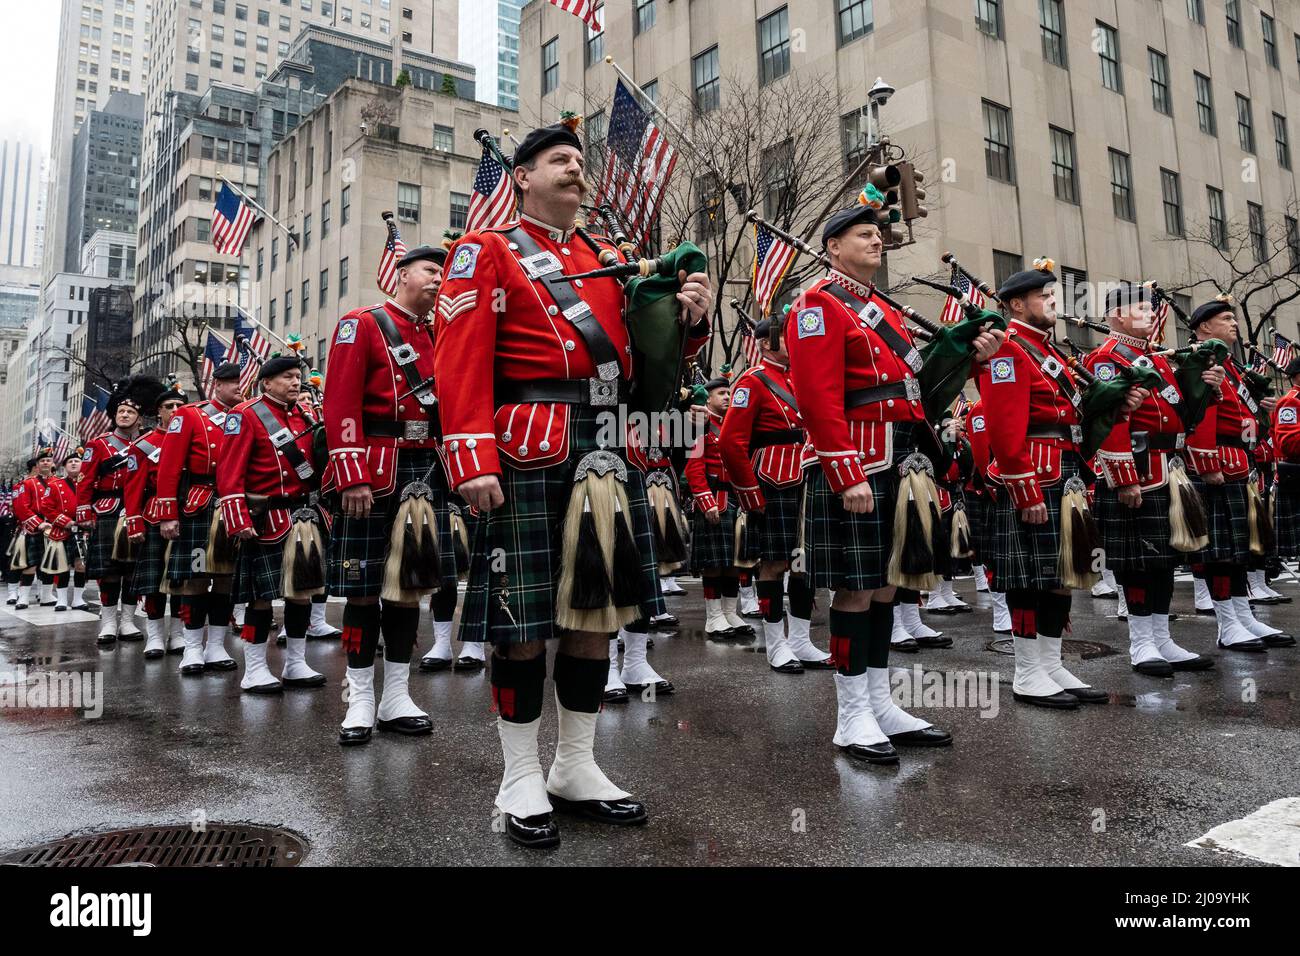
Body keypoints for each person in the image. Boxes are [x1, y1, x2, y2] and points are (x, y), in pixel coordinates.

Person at [433, 120, 712, 849]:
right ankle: (519, 774)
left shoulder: (608, 257)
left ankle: (576, 765)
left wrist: (686, 321)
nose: (576, 171)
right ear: (521, 177)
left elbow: (648, 362)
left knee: (596, 616)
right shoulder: (485, 251)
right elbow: (459, 357)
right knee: (521, 627)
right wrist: (472, 458)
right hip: (527, 445)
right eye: (559, 160)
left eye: (581, 163)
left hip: (606, 447)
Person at [788, 203, 999, 761]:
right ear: (833, 246)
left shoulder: (880, 306)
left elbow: (917, 388)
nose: (877, 242)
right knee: (854, 590)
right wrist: (843, 467)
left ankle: (879, 703)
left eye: (879, 235)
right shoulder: (818, 304)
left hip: (900, 458)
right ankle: (850, 714)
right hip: (857, 460)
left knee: (885, 585)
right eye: (864, 234)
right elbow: (815, 394)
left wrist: (969, 363)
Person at [978, 262, 1141, 708]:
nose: (1053, 302)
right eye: (1043, 296)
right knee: (1029, 578)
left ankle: (1051, 664)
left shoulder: (1049, 354)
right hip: (1035, 473)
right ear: (1016, 304)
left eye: (1054, 295)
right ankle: (1028, 671)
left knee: (1058, 577)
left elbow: (1075, 419)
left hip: (1065, 473)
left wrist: (1118, 407)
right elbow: (1004, 429)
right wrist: (1024, 488)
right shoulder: (1009, 351)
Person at [323, 244, 461, 745]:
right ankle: (359, 695)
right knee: (362, 589)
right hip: (375, 467)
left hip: (427, 469)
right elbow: (339, 400)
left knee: (409, 587)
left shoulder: (440, 332)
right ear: (400, 274)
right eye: (430, 270)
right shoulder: (362, 323)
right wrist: (351, 471)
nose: (438, 279)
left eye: (444, 273)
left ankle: (396, 695)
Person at [1085, 283, 1217, 676]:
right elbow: (1110, 423)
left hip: (1167, 468)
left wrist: (1205, 392)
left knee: (1162, 560)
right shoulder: (1105, 359)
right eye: (1141, 308)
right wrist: (1124, 477)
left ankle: (1162, 639)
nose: (1150, 315)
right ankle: (1141, 644)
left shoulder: (1157, 362)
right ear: (1116, 316)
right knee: (1136, 562)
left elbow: (1180, 415)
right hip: (1136, 471)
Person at [719, 316, 832, 672]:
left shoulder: (801, 378)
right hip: (772, 479)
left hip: (807, 478)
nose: (793, 342)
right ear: (766, 343)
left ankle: (800, 640)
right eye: (786, 337)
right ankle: (776, 643)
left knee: (802, 562)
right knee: (774, 564)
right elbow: (730, 442)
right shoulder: (751, 381)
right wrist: (749, 491)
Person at [1185, 298, 1295, 650]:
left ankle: (1243, 615)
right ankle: (1228, 624)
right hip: (1220, 459)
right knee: (1218, 551)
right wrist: (1207, 464)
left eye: (1234, 317)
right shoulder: (1203, 361)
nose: (1235, 324)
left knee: (1238, 551)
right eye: (1226, 318)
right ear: (1204, 327)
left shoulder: (1229, 366)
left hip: (1239, 459)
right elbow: (1201, 415)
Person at [217, 356, 330, 693]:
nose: (296, 382)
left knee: (301, 595)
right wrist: (236, 517)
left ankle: (296, 664)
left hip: (303, 518)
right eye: (287, 377)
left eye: (298, 377)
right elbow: (229, 470)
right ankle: (254, 670)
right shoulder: (245, 414)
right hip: (267, 518)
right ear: (266, 382)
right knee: (260, 599)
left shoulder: (307, 416)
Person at [156, 362, 243, 676]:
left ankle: (216, 645)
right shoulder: (190, 415)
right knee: (195, 578)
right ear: (217, 384)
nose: (238, 387)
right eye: (232, 382)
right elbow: (169, 466)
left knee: (225, 577)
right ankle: (192, 648)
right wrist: (167, 514)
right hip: (199, 503)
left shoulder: (249, 415)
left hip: (235, 506)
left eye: (241, 381)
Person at [78, 376, 160, 645]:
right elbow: (86, 480)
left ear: (139, 418)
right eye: (120, 411)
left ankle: (128, 620)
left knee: (132, 569)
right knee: (110, 570)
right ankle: (109, 622)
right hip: (108, 510)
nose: (124, 415)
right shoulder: (98, 444)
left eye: (130, 412)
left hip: (139, 510)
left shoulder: (148, 444)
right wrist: (85, 511)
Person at [684, 377, 755, 641]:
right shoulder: (700, 428)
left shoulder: (735, 427)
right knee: (713, 564)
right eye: (722, 393)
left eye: (729, 393)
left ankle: (730, 612)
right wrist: (705, 501)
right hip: (715, 498)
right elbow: (694, 468)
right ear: (709, 398)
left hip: (737, 500)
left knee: (734, 562)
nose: (727, 397)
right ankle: (714, 617)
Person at [124, 385, 187, 659]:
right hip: (153, 515)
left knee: (183, 578)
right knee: (153, 581)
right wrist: (134, 521)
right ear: (158, 411)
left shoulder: (193, 438)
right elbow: (133, 487)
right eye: (169, 406)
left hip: (188, 513)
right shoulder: (143, 445)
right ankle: (155, 636)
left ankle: (180, 634)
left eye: (179, 406)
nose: (174, 411)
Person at [11, 449, 77, 610]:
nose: (46, 463)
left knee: (50, 563)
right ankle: (23, 597)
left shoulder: (58, 482)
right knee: (30, 564)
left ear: (53, 464)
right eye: (42, 461)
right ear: (37, 465)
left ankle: (47, 595)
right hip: (35, 527)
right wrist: (38, 523)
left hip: (56, 527)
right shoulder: (28, 483)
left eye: (48, 460)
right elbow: (21, 507)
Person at [59, 453, 90, 611]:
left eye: (77, 461)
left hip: (83, 529)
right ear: (65, 467)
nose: (73, 464)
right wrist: (65, 522)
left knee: (81, 565)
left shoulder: (90, 482)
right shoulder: (56, 485)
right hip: (63, 529)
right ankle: (61, 600)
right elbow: (47, 507)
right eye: (69, 461)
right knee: (63, 566)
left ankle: (78, 599)